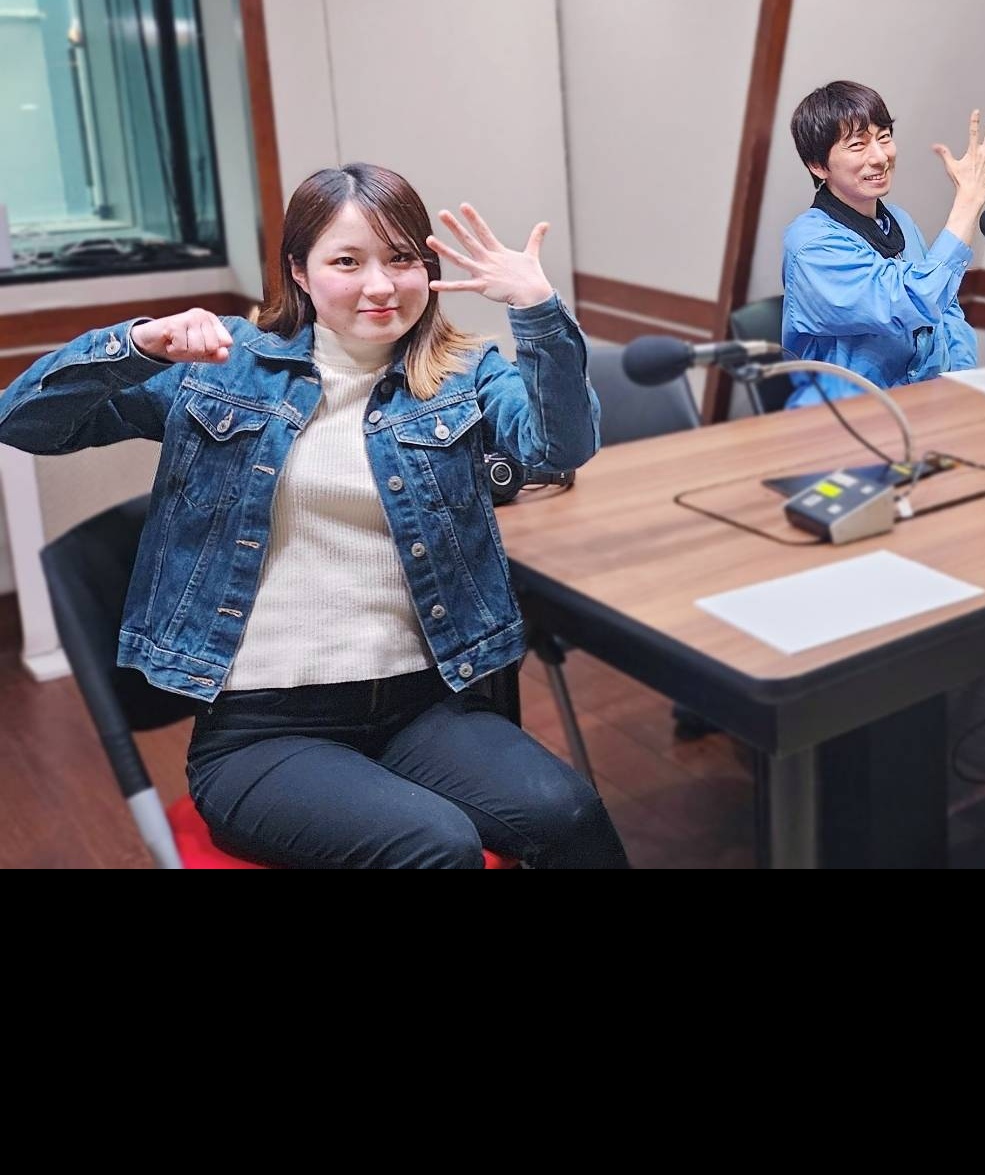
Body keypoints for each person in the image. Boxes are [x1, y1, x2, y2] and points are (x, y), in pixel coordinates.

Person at [0, 163, 628, 869]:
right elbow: (24, 421)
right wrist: (137, 345)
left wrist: (538, 308)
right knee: (437, 845)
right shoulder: (225, 365)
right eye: (347, 262)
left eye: (401, 259)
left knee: (570, 815)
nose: (380, 285)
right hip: (262, 731)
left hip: (422, 707)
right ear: (299, 270)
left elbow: (560, 447)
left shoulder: (463, 373)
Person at [780, 79, 985, 407]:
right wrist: (968, 201)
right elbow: (910, 300)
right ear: (818, 165)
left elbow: (946, 309)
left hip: (922, 405)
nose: (880, 156)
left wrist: (960, 384)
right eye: (858, 145)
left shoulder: (900, 221)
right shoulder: (811, 245)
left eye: (884, 137)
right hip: (846, 416)